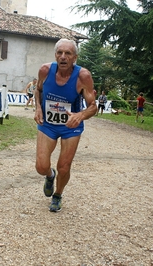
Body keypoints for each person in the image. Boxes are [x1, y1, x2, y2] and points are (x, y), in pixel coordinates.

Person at [34, 38, 97, 212]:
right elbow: (38, 90)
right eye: (59, 53)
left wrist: (81, 115)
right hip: (48, 123)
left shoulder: (83, 76)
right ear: (55, 55)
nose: (63, 57)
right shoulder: (45, 70)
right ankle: (49, 175)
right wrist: (38, 107)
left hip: (71, 125)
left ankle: (58, 195)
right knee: (41, 166)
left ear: (74, 57)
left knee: (64, 166)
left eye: (68, 53)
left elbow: (93, 107)